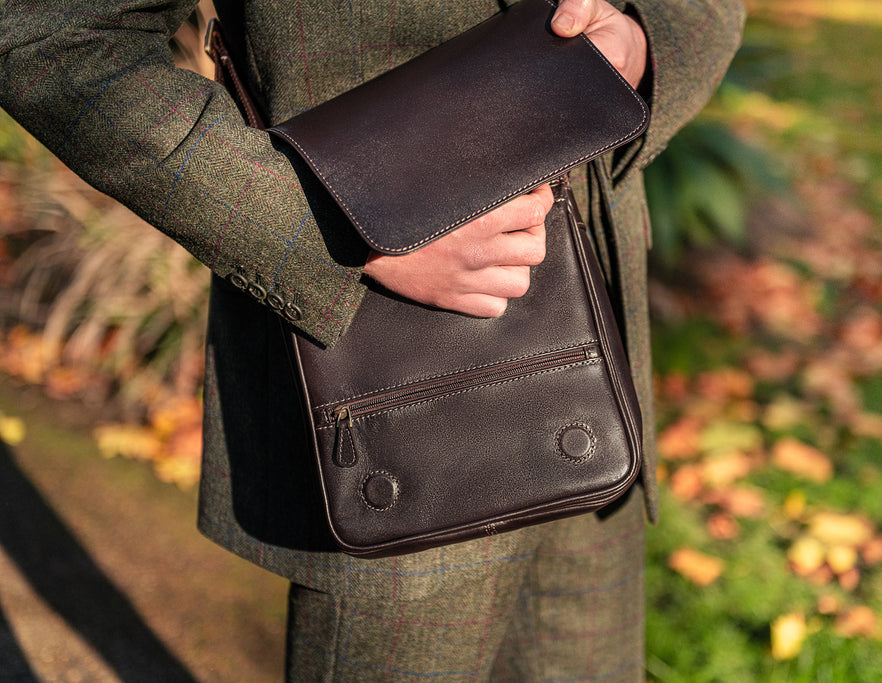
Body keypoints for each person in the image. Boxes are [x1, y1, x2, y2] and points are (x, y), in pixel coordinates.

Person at [0, 0, 745, 679]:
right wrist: (341, 227)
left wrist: (643, 42)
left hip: (602, 391)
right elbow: (50, 36)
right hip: (391, 412)